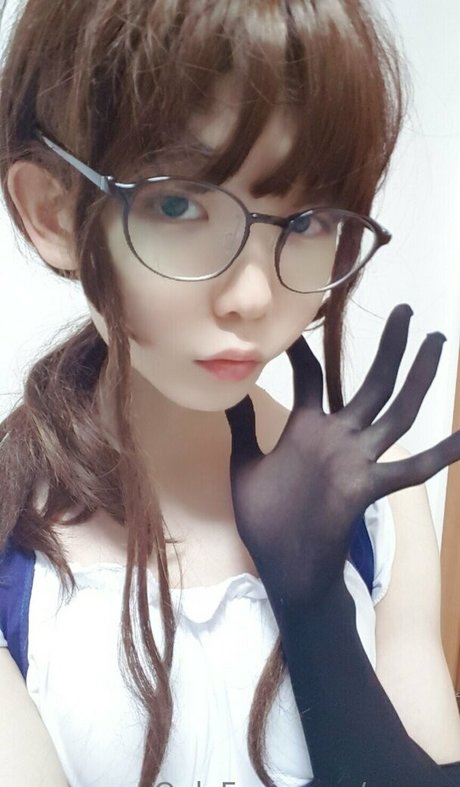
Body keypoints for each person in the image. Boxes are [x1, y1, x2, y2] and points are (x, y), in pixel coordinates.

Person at [0, 1, 459, 786]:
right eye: (178, 204)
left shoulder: (383, 510)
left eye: (307, 221)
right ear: (53, 211)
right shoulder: (16, 527)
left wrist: (316, 612)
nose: (252, 297)